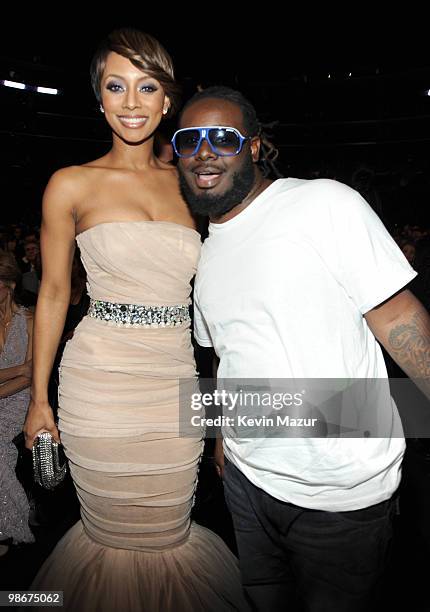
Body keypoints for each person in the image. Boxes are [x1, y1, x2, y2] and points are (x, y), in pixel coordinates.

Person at [174, 86, 430, 612]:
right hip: (246, 481)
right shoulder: (205, 254)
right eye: (188, 139)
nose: (204, 150)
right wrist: (224, 437)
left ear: (254, 147)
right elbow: (225, 356)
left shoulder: (324, 203)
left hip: (339, 494)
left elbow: (399, 318)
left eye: (222, 137)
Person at [23, 31, 247, 611]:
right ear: (98, 98)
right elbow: (51, 295)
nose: (130, 102)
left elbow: (219, 308)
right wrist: (38, 399)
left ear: (167, 100)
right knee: (110, 535)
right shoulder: (70, 184)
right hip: (99, 382)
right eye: (115, 87)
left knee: (167, 530)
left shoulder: (194, 184)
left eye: (146, 87)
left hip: (174, 376)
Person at [0, 251, 34, 556]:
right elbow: (23, 369)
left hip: (21, 401)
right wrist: (19, 370)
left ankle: (10, 525)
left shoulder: (31, 319)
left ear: (8, 285)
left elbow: (32, 375)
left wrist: (20, 374)